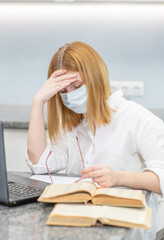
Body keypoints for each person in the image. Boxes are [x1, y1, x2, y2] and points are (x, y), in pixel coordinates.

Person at [26, 41, 164, 239]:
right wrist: (37, 103)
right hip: (76, 223)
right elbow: (40, 164)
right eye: (63, 91)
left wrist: (119, 178)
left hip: (126, 230)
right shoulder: (73, 124)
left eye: (77, 85)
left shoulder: (139, 119)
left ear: (96, 77)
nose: (71, 95)